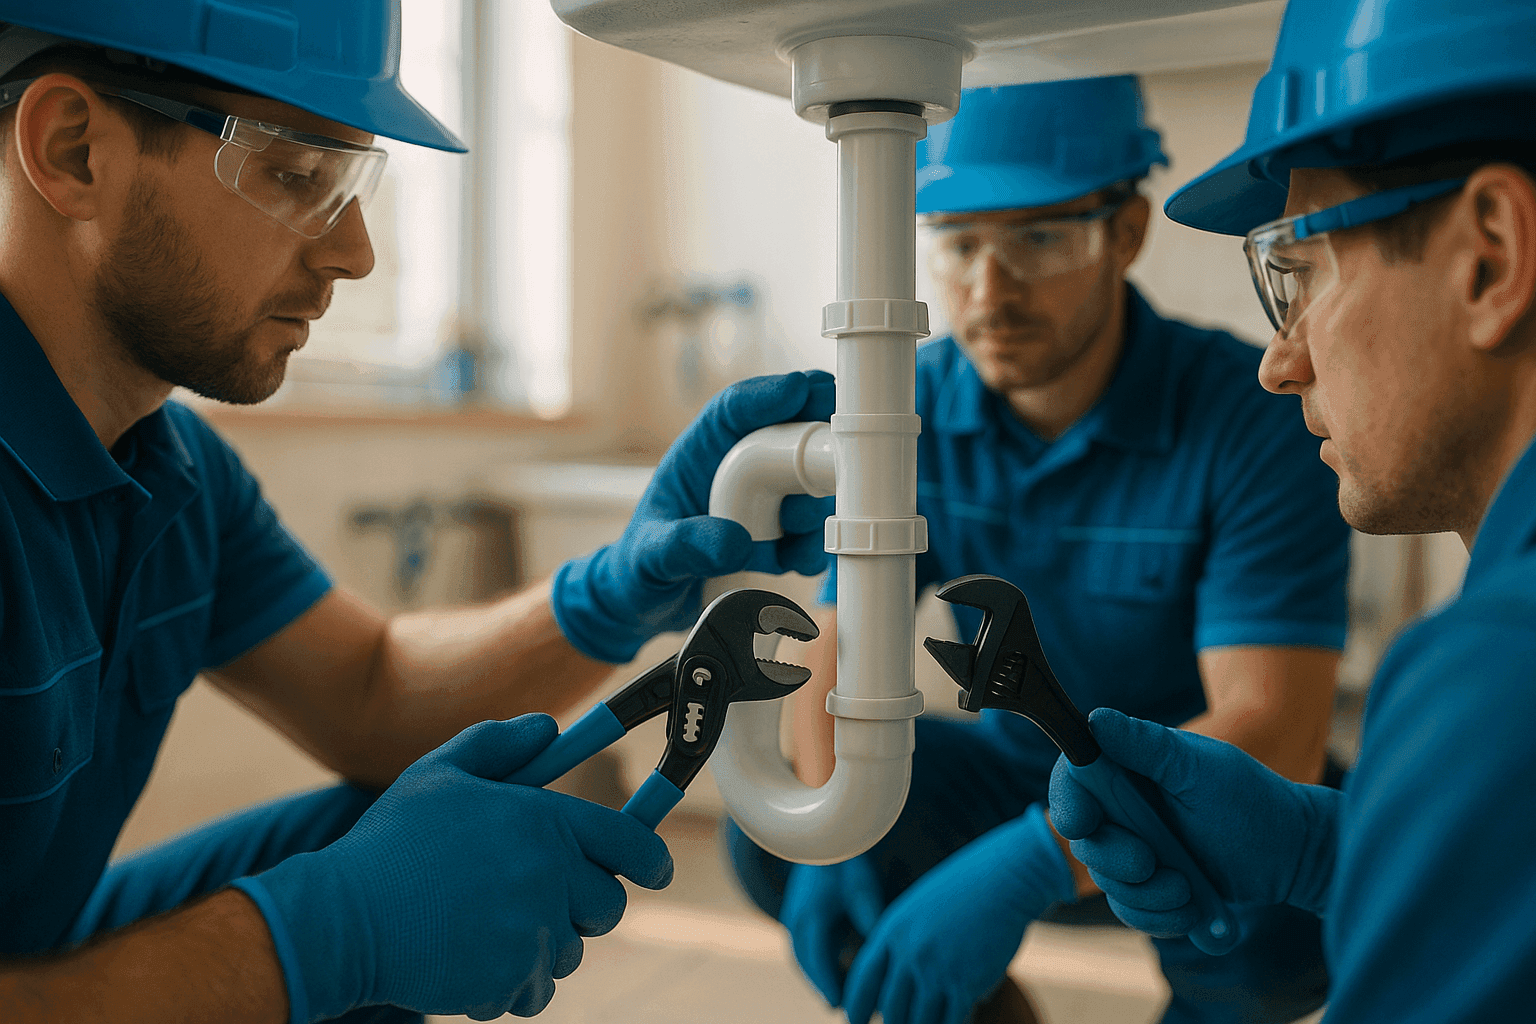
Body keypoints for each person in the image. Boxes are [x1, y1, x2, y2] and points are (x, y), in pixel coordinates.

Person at [0, 4, 833, 1022]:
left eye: (353, 184)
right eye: (296, 175)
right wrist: (325, 934)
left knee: (449, 836)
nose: (356, 255)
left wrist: (615, 589)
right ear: (74, 150)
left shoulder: (174, 474)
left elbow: (371, 690)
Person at [724, 77, 1353, 1024]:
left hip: (1210, 795)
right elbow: (833, 634)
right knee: (777, 832)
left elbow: (1276, 729)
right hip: (1021, 774)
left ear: (1127, 232)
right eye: (962, 243)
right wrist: (832, 833)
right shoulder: (917, 409)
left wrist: (1028, 861)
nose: (990, 291)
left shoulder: (1246, 419)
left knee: (1276, 921)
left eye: (1039, 240)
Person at [1048, 1, 1536, 1021]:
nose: (1283, 360)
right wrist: (1329, 847)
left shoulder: (1498, 673)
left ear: (1489, 254)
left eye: (1302, 273)